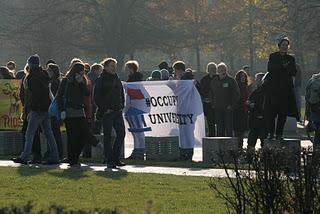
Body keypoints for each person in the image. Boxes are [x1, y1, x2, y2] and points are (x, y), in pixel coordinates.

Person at [11, 54, 59, 164]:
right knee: (49, 134)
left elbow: (33, 94)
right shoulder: (44, 74)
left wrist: (30, 109)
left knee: (29, 134)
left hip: (36, 109)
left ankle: (24, 156)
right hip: (46, 107)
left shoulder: (31, 76)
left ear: (30, 64)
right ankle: (55, 156)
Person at [56, 62, 98, 167]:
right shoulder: (66, 80)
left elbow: (87, 94)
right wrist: (61, 110)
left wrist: (81, 83)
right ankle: (72, 159)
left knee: (82, 135)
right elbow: (60, 96)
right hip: (69, 111)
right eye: (82, 71)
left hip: (79, 111)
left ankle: (74, 157)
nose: (83, 73)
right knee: (72, 136)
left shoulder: (82, 80)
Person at [94, 58, 126, 168]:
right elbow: (96, 97)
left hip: (117, 111)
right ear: (106, 67)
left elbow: (121, 93)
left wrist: (122, 105)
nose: (114, 68)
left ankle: (115, 157)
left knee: (121, 134)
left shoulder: (117, 78)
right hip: (107, 113)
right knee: (107, 136)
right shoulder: (101, 80)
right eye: (112, 66)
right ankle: (109, 159)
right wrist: (104, 109)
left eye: (115, 66)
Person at [265, 35, 298, 140]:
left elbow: (293, 72)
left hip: (285, 91)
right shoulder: (273, 56)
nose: (284, 47)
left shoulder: (291, 58)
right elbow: (271, 69)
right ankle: (271, 133)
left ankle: (279, 134)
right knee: (271, 113)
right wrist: (283, 67)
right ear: (279, 46)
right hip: (273, 90)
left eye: (286, 45)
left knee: (282, 114)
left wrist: (283, 69)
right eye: (283, 45)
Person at [18, 64, 42, 163]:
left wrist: (26, 110)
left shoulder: (28, 79)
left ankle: (27, 154)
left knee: (28, 133)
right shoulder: (39, 78)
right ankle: (35, 154)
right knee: (34, 133)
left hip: (31, 110)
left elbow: (26, 97)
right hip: (34, 109)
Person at [210, 62, 240, 137]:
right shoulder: (214, 81)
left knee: (229, 127)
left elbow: (237, 94)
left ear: (226, 70)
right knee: (219, 128)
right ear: (217, 71)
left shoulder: (231, 80)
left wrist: (231, 105)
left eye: (224, 70)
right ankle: (220, 147)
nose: (222, 71)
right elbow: (211, 93)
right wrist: (213, 104)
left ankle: (230, 147)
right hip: (217, 108)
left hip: (228, 108)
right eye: (220, 70)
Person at [125, 60, 145, 160]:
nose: (125, 70)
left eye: (127, 68)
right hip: (134, 109)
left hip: (135, 109)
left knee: (137, 131)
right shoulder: (134, 80)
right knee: (136, 131)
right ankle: (138, 150)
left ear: (131, 69)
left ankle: (139, 151)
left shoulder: (133, 81)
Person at [247, 73, 267, 157]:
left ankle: (265, 158)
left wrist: (254, 105)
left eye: (257, 79)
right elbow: (250, 100)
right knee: (251, 140)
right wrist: (248, 104)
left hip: (263, 120)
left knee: (264, 140)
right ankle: (250, 158)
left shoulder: (266, 92)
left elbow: (264, 105)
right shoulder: (255, 91)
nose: (256, 81)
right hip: (254, 120)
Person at [47, 63, 64, 160]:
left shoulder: (54, 83)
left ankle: (56, 152)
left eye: (49, 71)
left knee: (54, 133)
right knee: (55, 132)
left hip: (53, 110)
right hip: (55, 110)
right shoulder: (58, 81)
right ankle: (58, 152)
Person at [200, 62, 218, 137]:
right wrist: (204, 99)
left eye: (214, 68)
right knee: (210, 123)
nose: (213, 70)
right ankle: (211, 138)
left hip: (217, 104)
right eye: (211, 68)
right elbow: (201, 91)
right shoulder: (204, 79)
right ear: (208, 69)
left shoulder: (218, 78)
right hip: (208, 105)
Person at [234, 70, 250, 149]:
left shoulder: (246, 86)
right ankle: (238, 146)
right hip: (238, 111)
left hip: (245, 110)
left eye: (244, 76)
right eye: (241, 76)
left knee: (243, 130)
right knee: (238, 130)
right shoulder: (237, 86)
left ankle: (240, 145)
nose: (243, 78)